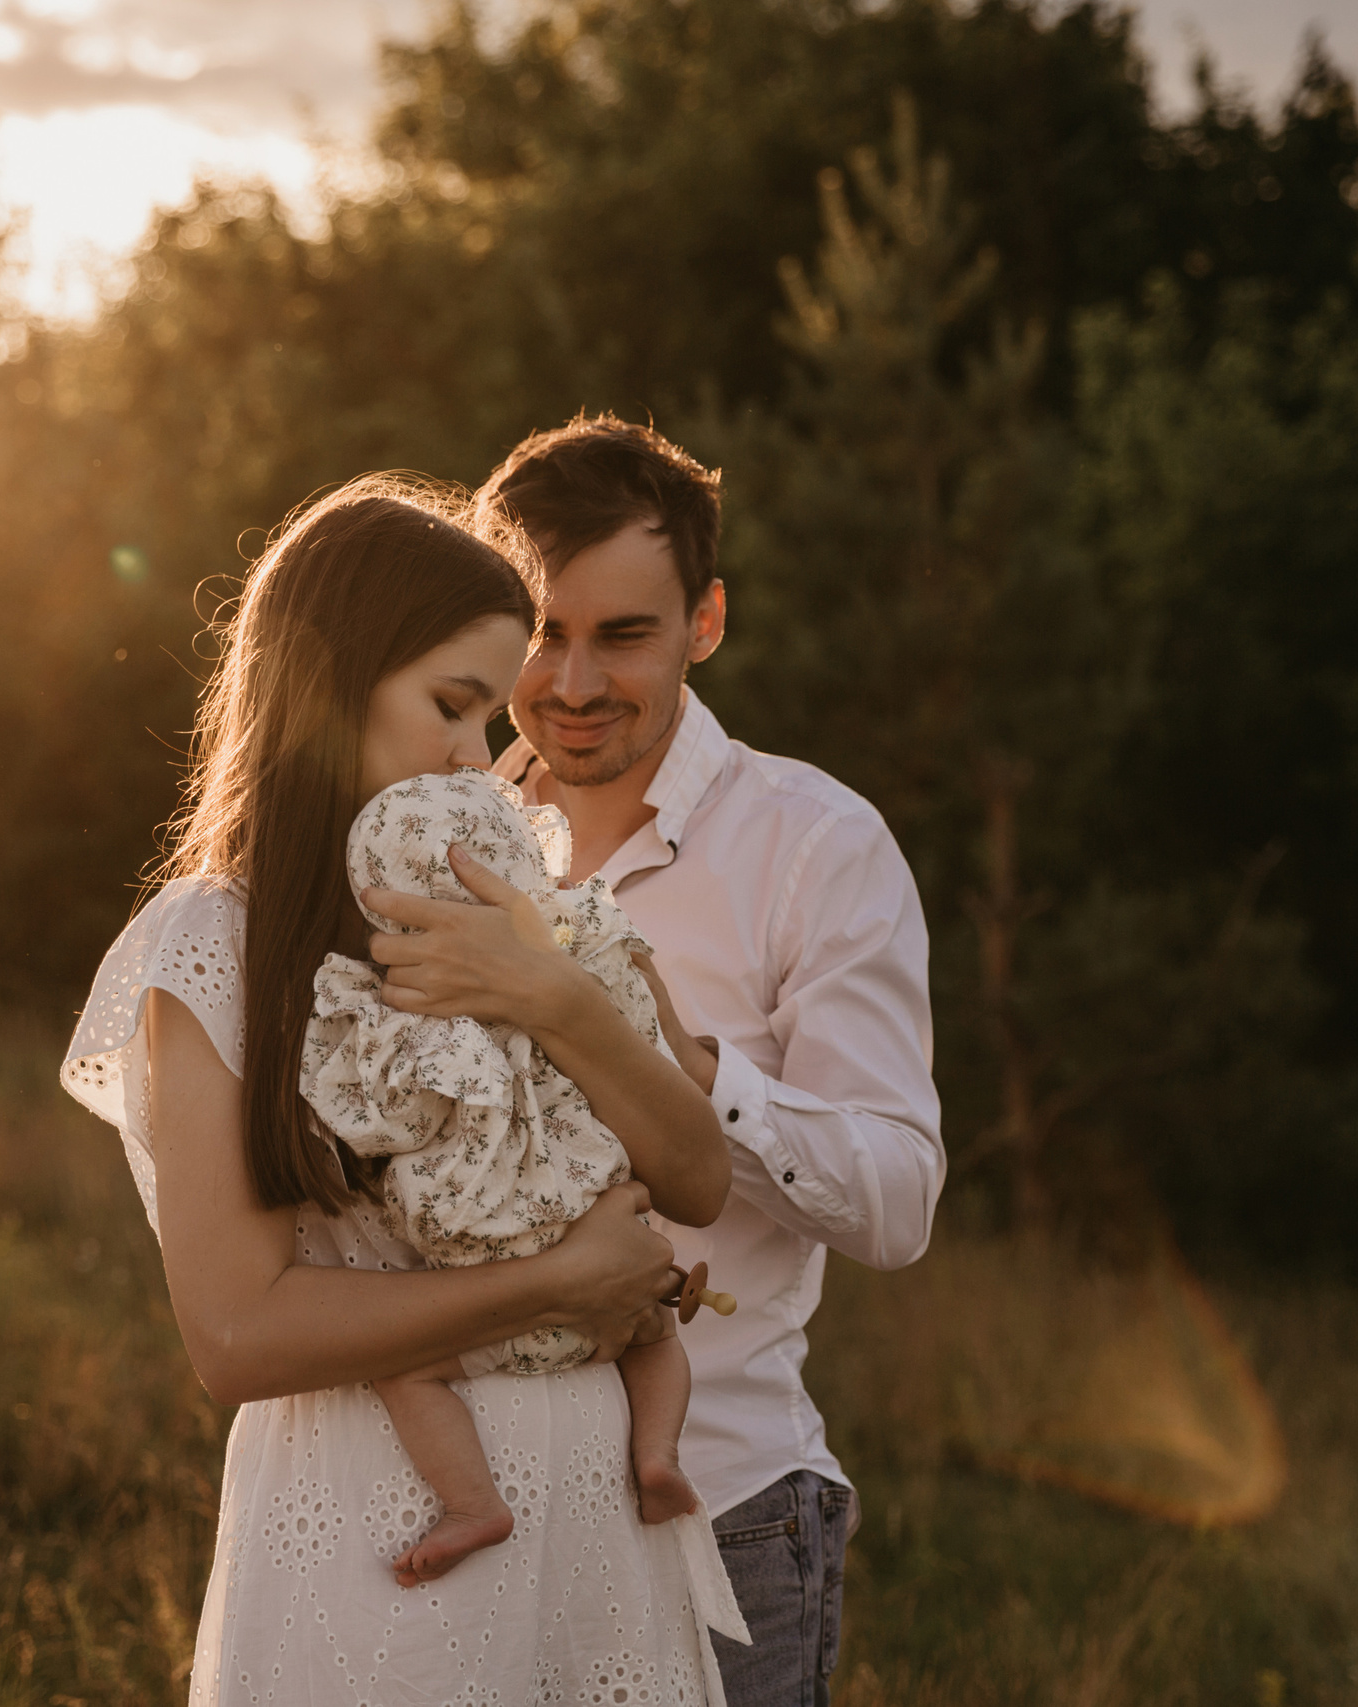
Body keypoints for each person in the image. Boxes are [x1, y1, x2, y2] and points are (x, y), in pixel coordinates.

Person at [61, 476, 750, 1704]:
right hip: (374, 1533)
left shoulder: (524, 912)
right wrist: (555, 1282)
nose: (475, 759)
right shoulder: (217, 940)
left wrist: (555, 997)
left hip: (594, 1516)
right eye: (450, 705)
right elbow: (233, 1332)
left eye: (491, 721)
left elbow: (697, 1176)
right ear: (330, 683)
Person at [361, 419, 946, 1706]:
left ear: (707, 621)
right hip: (471, 1511)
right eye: (539, 635)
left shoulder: (816, 845)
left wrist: (690, 1067)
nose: (570, 684)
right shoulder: (435, 819)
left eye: (622, 635)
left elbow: (899, 1202)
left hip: (721, 1513)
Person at [301, 768, 707, 1590]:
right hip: (620, 1278)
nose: (474, 746)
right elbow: (675, 1090)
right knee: (661, 1341)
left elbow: (394, 1127)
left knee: (407, 1368)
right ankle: (658, 1454)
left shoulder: (413, 1016)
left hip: (494, 1284)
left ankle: (472, 1500)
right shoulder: (584, 955)